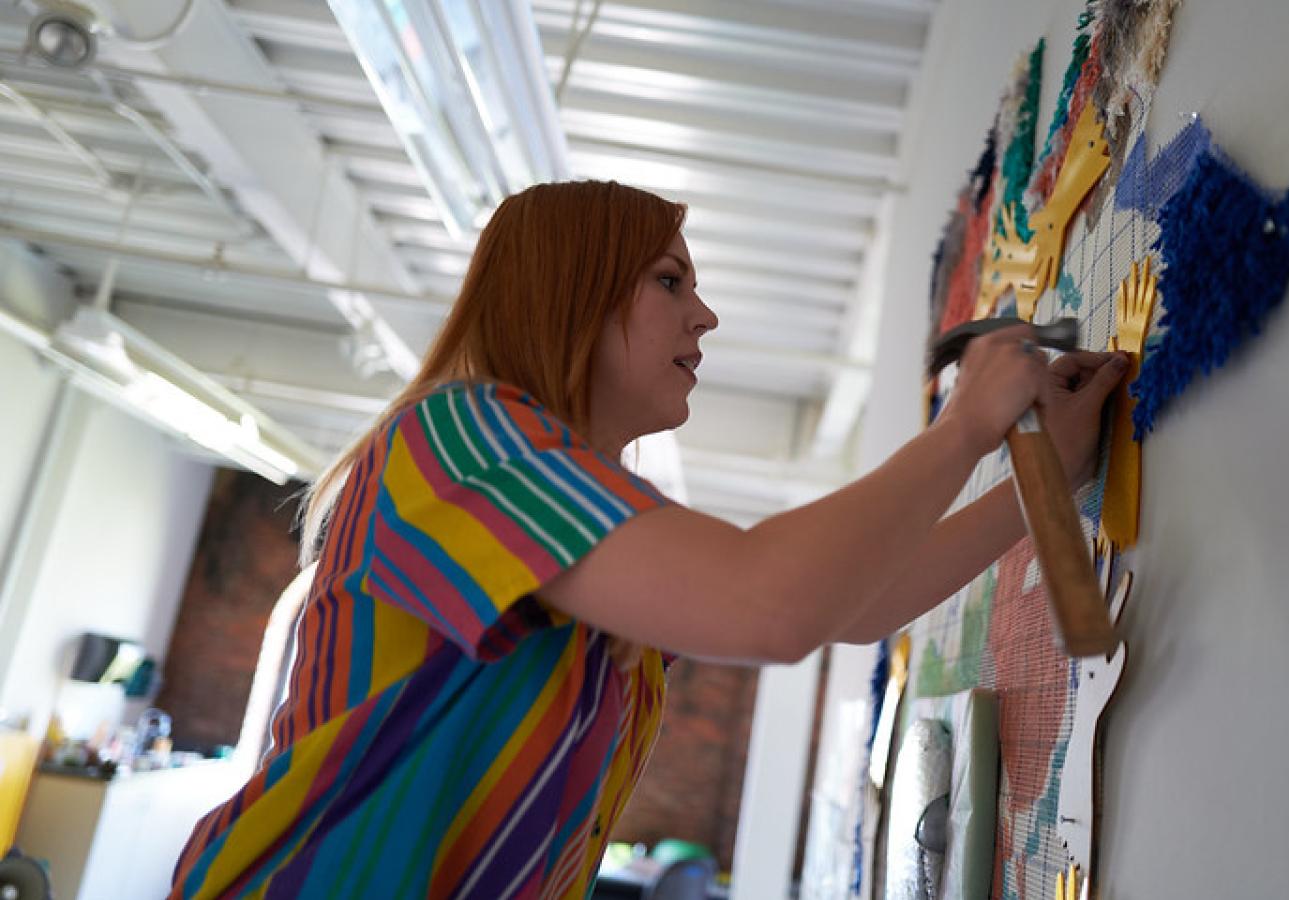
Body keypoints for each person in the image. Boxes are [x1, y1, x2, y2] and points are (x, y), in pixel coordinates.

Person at [169, 180, 1126, 898]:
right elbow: (772, 605)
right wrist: (962, 427)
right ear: (568, 293)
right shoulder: (457, 436)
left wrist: (1046, 481)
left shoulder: (580, 503)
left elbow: (853, 604)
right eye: (669, 280)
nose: (704, 315)